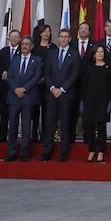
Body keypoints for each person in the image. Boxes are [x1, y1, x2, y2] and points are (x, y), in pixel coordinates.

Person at [41, 27, 79, 162]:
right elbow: (47, 73)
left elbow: (74, 74)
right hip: (51, 94)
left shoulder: (74, 54)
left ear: (69, 39)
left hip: (66, 95)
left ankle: (63, 154)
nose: (63, 39)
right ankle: (46, 152)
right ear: (58, 38)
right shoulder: (51, 54)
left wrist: (62, 89)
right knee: (49, 124)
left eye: (65, 37)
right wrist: (52, 88)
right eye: (61, 36)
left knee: (65, 125)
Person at [5, 36, 43, 161]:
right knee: (13, 126)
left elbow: (37, 77)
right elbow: (9, 77)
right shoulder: (14, 60)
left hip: (28, 97)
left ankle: (24, 153)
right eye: (23, 44)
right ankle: (11, 153)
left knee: (26, 126)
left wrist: (24, 89)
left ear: (32, 46)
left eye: (27, 44)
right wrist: (16, 89)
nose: (24, 46)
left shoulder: (37, 60)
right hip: (14, 97)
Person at [82, 45, 111, 163]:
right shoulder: (88, 68)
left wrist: (110, 102)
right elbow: (83, 87)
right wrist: (82, 102)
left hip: (103, 101)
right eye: (97, 52)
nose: (100, 54)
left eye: (102, 52)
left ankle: (101, 151)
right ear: (93, 55)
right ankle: (91, 150)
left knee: (101, 127)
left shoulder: (108, 68)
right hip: (89, 101)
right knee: (89, 127)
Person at [69, 21, 94, 144]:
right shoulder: (71, 44)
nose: (83, 30)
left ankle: (87, 137)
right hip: (72, 84)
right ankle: (71, 137)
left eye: (86, 28)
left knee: (88, 111)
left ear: (89, 32)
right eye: (81, 28)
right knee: (72, 110)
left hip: (89, 84)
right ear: (78, 30)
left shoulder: (95, 45)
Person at [31, 23, 57, 141]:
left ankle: (45, 135)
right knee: (34, 110)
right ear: (40, 33)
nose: (46, 34)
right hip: (35, 84)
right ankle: (34, 133)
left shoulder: (54, 47)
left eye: (48, 31)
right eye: (44, 31)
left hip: (49, 84)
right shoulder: (34, 48)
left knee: (47, 110)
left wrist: (46, 78)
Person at [0, 29, 21, 143]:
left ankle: (14, 136)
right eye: (12, 37)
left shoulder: (23, 51)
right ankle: (2, 136)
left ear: (20, 39)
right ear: (8, 39)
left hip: (17, 87)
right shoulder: (3, 51)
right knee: (4, 111)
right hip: (4, 86)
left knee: (15, 113)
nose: (14, 39)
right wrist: (3, 72)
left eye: (17, 37)